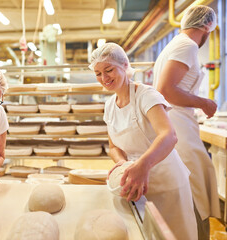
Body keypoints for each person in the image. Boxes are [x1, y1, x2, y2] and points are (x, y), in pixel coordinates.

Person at [90, 42, 197, 239]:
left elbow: (169, 135)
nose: (104, 78)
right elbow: (113, 146)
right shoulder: (109, 106)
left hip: (166, 184)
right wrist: (122, 164)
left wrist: (142, 165)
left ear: (124, 65)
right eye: (98, 73)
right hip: (136, 185)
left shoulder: (145, 95)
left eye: (109, 70)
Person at [153, 5, 220, 239]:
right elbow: (166, 90)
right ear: (205, 26)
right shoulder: (187, 45)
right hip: (178, 124)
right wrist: (204, 102)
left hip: (177, 122)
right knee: (194, 188)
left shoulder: (175, 44)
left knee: (193, 183)